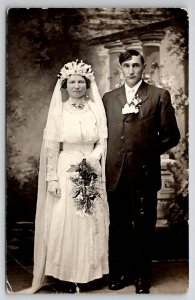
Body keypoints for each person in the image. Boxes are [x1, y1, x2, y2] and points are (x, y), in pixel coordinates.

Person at [16, 60, 109, 294]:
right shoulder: (59, 110)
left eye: (81, 81)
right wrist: (52, 178)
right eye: (72, 82)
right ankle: (66, 275)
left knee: (90, 220)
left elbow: (102, 140)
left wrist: (94, 157)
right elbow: (51, 146)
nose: (77, 85)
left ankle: (89, 274)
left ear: (87, 84)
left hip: (91, 168)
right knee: (65, 220)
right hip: (65, 166)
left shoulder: (94, 108)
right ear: (66, 85)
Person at [102, 49, 180, 294]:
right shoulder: (108, 98)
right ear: (121, 69)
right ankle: (119, 274)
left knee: (144, 227)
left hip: (144, 173)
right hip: (115, 171)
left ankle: (142, 277)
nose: (131, 70)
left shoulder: (158, 96)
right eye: (127, 66)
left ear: (143, 67)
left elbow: (171, 135)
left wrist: (146, 151)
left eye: (136, 65)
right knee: (118, 226)